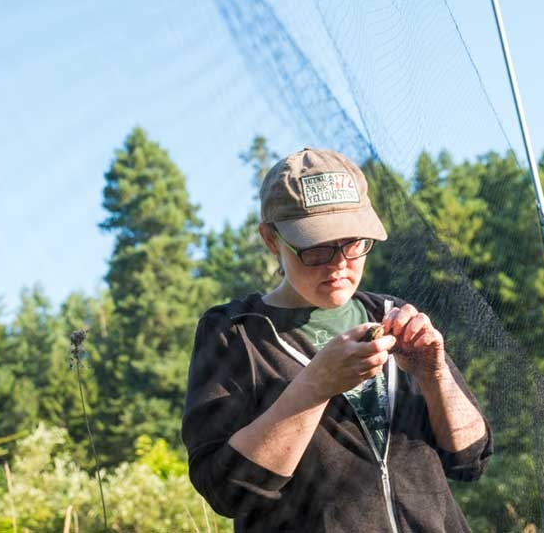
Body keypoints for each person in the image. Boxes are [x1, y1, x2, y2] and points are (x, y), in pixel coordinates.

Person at [182, 147, 492, 532]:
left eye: (353, 242)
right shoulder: (236, 334)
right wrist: (314, 387)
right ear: (270, 239)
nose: (340, 262)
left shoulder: (393, 315)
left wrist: (435, 376)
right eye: (316, 247)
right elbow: (227, 491)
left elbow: (470, 457)